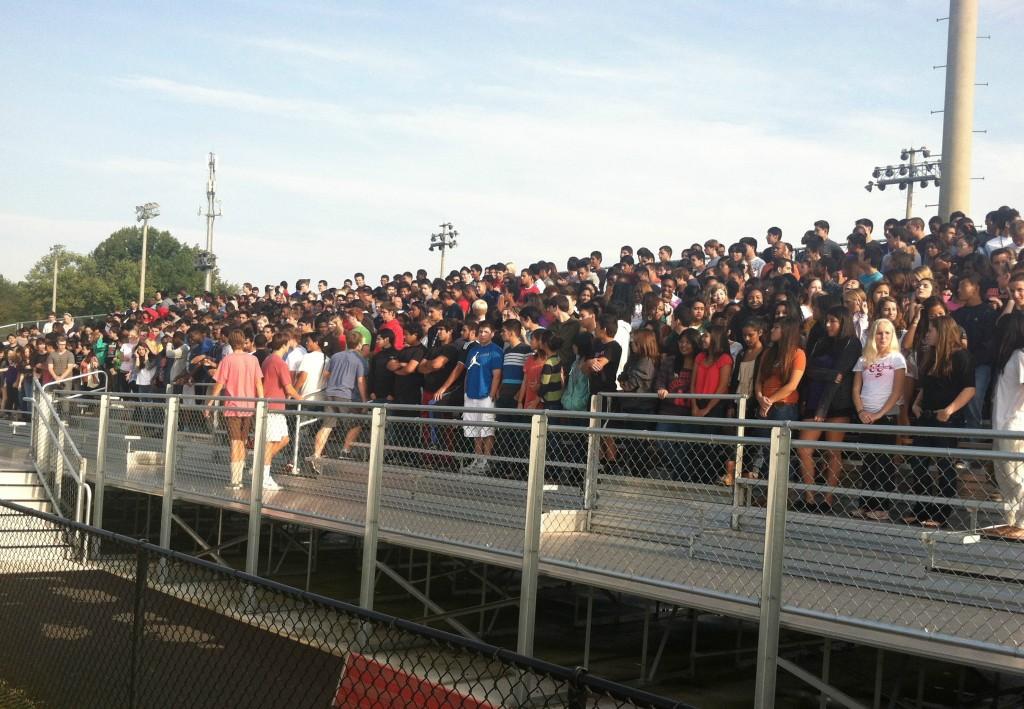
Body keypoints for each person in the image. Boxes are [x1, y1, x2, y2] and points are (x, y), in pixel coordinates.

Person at [907, 315, 975, 527]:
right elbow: (926, 386)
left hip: (947, 419)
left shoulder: (961, 356)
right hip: (926, 416)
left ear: (942, 332)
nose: (927, 334)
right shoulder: (931, 356)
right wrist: (916, 404)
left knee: (945, 466)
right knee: (918, 463)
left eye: (931, 330)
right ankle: (922, 510)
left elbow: (969, 388)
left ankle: (941, 514)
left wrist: (949, 410)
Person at [795, 307, 862, 511]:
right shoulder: (821, 341)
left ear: (843, 322)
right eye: (827, 321)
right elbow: (810, 371)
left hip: (837, 402)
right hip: (814, 400)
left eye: (833, 321)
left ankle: (828, 499)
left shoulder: (852, 342)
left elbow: (840, 374)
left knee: (833, 451)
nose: (828, 325)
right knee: (803, 448)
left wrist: (823, 408)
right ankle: (810, 497)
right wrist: (827, 375)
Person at [851, 318, 907, 521]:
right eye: (879, 333)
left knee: (884, 462)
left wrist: (880, 414)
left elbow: (897, 391)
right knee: (868, 461)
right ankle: (865, 504)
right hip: (865, 416)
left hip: (886, 417)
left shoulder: (897, 359)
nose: (883, 337)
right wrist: (861, 412)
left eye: (887, 333)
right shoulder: (863, 359)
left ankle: (882, 507)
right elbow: (856, 389)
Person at [207, 329, 264, 490]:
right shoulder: (253, 360)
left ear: (230, 343)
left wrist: (210, 403)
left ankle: (235, 479)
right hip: (249, 406)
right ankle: (240, 476)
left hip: (232, 406)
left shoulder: (227, 360)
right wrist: (261, 402)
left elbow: (219, 385)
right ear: (244, 341)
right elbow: (258, 383)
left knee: (234, 442)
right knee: (243, 442)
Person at [989, 310, 1024, 539]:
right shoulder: (1009, 357)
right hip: (1001, 423)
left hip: (1014, 424)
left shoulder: (1021, 355)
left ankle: (1022, 522)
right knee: (1004, 476)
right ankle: (1010, 520)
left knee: (1016, 476)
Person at [310, 330, 369, 465]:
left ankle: (316, 454)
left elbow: (326, 374)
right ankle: (345, 450)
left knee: (327, 425)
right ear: (359, 344)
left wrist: (337, 378)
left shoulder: (336, 356)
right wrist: (364, 400)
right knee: (356, 423)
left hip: (331, 393)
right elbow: (360, 381)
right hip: (347, 395)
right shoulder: (360, 359)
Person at [261, 333, 301, 489]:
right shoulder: (279, 362)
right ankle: (263, 476)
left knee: (283, 439)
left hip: (274, 406)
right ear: (284, 344)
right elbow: (289, 387)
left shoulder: (268, 359)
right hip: (273, 407)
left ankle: (261, 466)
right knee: (270, 443)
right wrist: (300, 398)